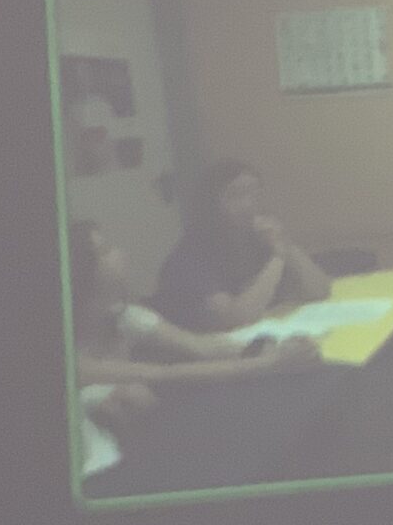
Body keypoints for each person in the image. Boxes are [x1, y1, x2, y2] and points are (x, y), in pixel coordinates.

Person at [69, 220, 324, 491]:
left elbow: (201, 347)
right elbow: (165, 375)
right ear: (83, 271)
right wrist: (272, 364)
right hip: (99, 469)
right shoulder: (65, 350)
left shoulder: (123, 316)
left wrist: (267, 346)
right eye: (106, 250)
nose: (120, 252)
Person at [153, 160, 333, 332]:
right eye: (235, 196)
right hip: (207, 347)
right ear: (211, 205)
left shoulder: (258, 239)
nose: (248, 204)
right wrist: (278, 257)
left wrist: (285, 245)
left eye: (254, 194)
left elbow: (320, 290)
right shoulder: (190, 257)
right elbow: (238, 319)